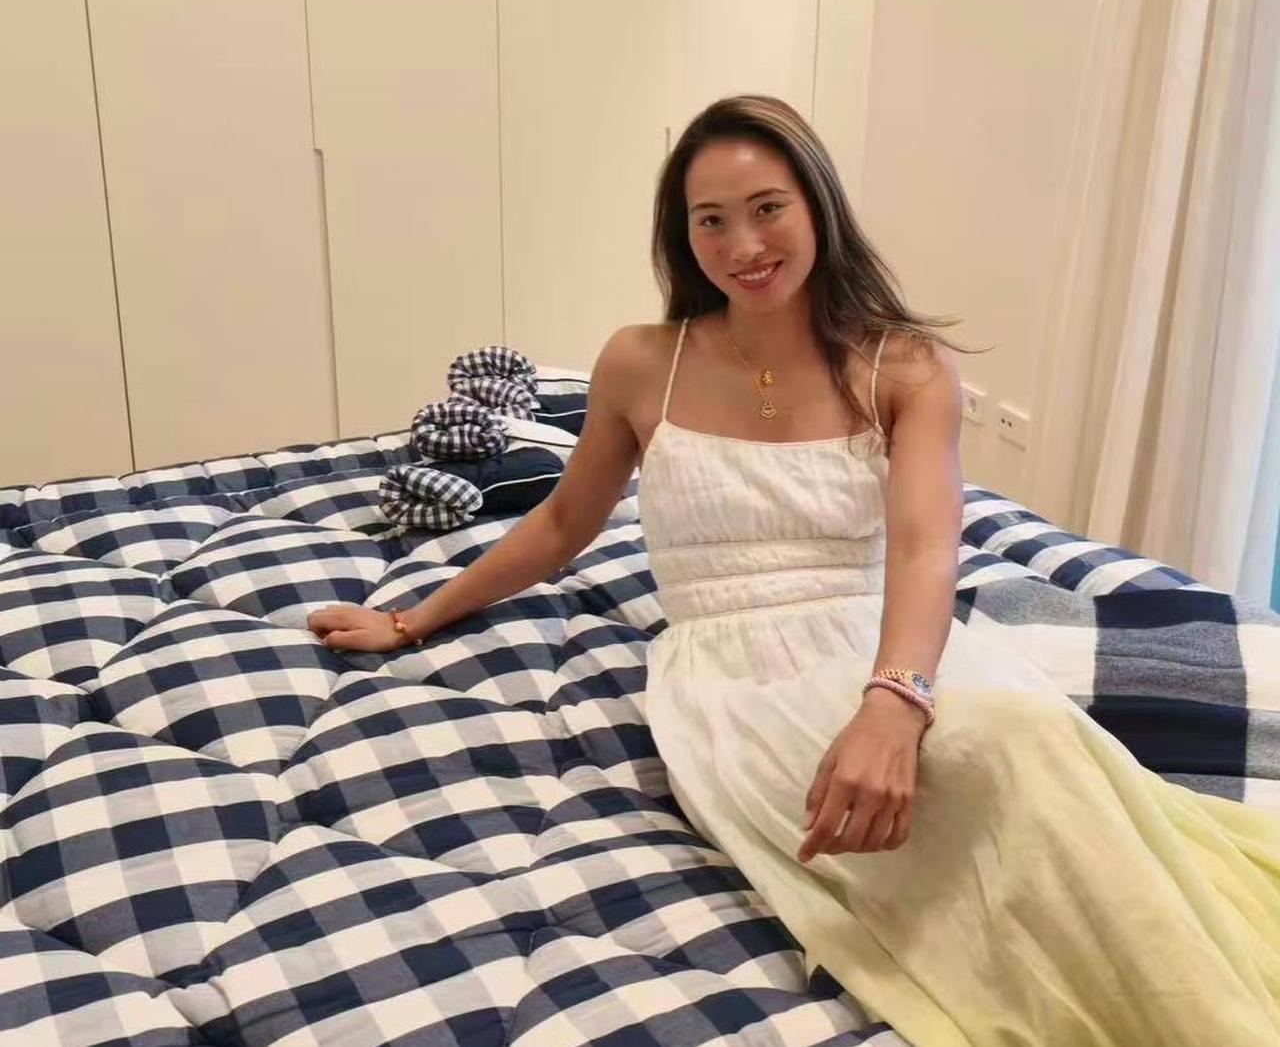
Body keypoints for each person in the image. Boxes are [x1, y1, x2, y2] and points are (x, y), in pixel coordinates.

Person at [309, 95, 1280, 1046]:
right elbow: (564, 521)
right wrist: (413, 617)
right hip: (732, 683)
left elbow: (924, 545)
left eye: (767, 207)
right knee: (964, 808)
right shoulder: (642, 363)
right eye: (710, 220)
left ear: (817, 205)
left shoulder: (904, 366)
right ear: (681, 235)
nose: (743, 244)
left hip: (891, 645)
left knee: (1027, 746)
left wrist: (895, 702)